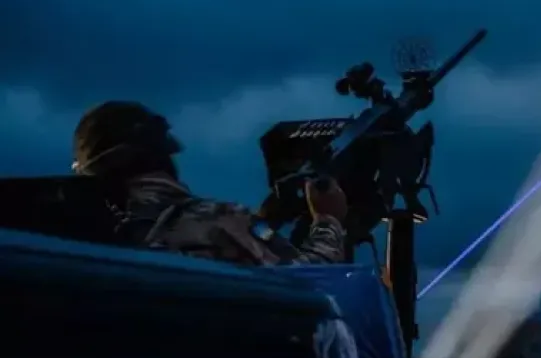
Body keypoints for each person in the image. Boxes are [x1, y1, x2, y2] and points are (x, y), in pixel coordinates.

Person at [71, 100, 347, 266]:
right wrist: (328, 220)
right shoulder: (221, 220)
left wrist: (264, 223)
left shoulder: (81, 238)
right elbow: (308, 283)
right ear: (163, 154)